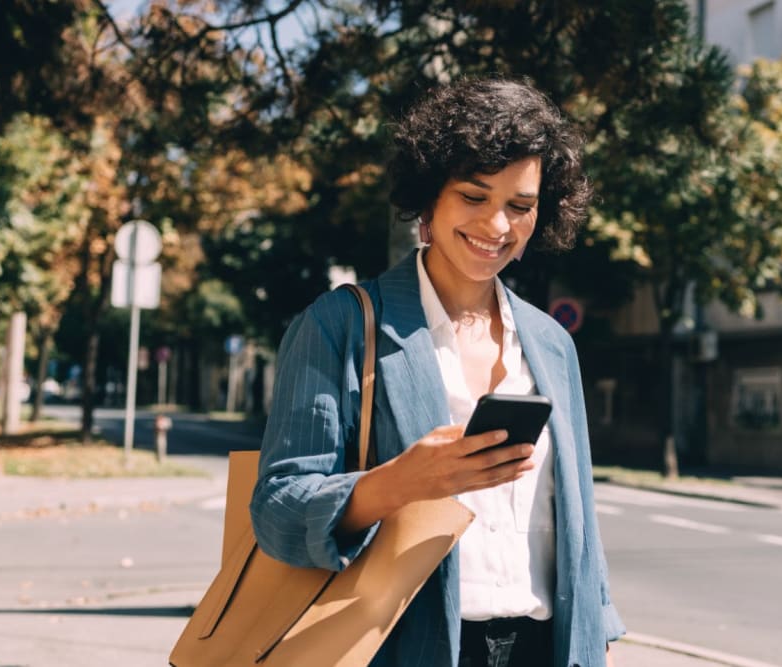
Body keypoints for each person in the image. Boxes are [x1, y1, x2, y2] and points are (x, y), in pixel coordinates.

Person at [250, 76, 624, 667]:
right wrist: (401, 481)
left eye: (520, 206)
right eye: (474, 197)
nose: (497, 226)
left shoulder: (551, 342)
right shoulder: (340, 325)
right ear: (429, 198)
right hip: (402, 647)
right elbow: (277, 511)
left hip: (540, 646)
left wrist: (596, 631)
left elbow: (576, 516)